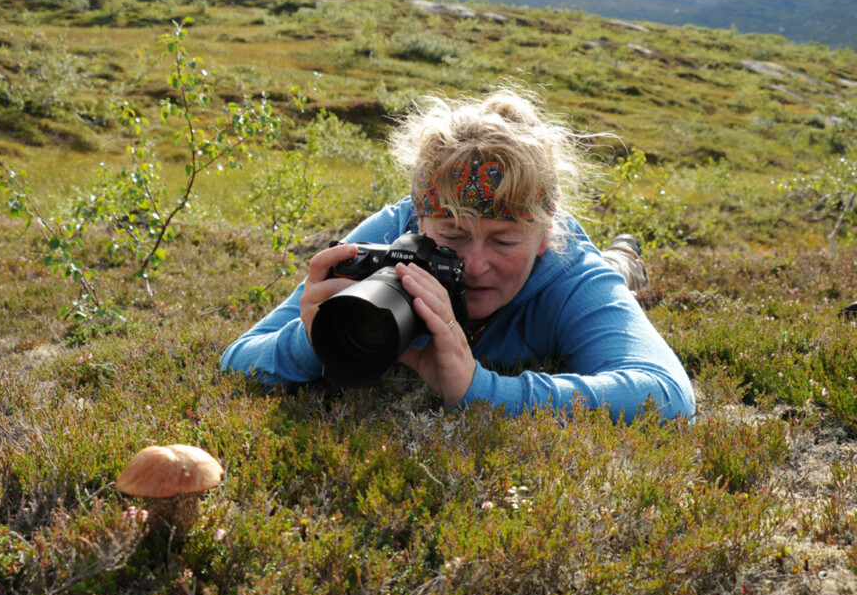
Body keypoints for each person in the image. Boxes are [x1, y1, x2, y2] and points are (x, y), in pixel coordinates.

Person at [221, 88, 695, 424]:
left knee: (613, 273)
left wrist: (481, 390)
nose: (475, 265)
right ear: (418, 223)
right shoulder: (393, 231)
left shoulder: (570, 271)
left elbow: (668, 395)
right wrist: (312, 338)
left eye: (504, 240)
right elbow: (237, 359)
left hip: (573, 269)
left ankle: (623, 259)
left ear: (543, 236)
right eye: (451, 237)